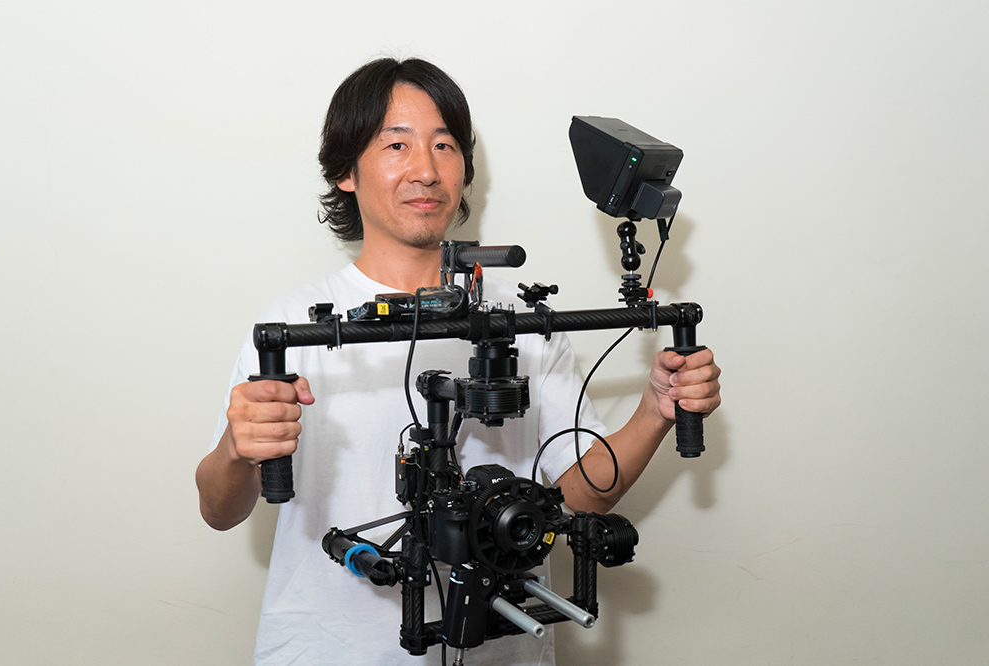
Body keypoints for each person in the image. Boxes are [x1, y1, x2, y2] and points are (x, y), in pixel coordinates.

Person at [196, 58, 721, 665]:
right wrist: (238, 447)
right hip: (331, 650)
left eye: (444, 145)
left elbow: (586, 494)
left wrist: (657, 410)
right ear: (345, 171)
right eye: (396, 144)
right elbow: (218, 509)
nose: (426, 169)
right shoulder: (295, 329)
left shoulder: (521, 323)